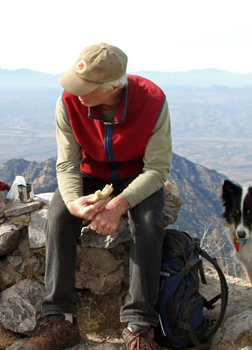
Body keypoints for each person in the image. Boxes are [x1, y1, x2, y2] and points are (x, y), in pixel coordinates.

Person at [22, 43, 172, 350]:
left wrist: (118, 205)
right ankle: (59, 320)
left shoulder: (153, 101)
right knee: (59, 216)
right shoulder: (68, 102)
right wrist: (74, 199)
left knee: (148, 222)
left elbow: (157, 170)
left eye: (86, 88)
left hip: (137, 175)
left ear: (113, 87)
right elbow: (66, 163)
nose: (77, 93)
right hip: (90, 175)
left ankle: (139, 326)